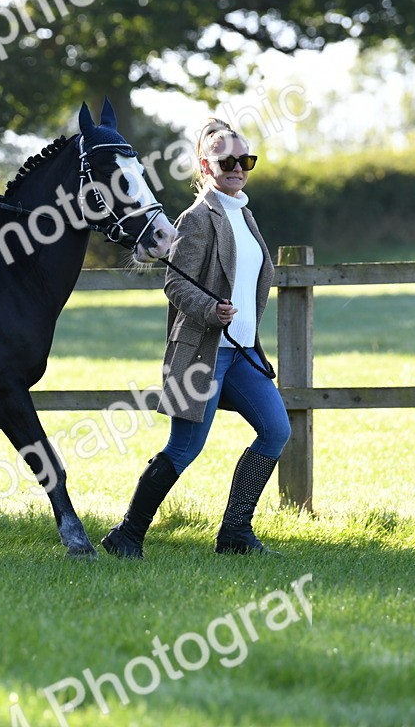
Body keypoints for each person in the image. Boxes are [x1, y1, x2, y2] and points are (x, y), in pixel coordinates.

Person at [102, 117, 291, 558]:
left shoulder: (243, 214)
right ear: (206, 166)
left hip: (242, 353)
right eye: (227, 160)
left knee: (276, 430)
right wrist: (210, 309)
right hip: (203, 353)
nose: (238, 168)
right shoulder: (196, 218)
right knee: (184, 449)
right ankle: (127, 534)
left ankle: (234, 534)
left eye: (246, 160)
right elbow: (174, 282)